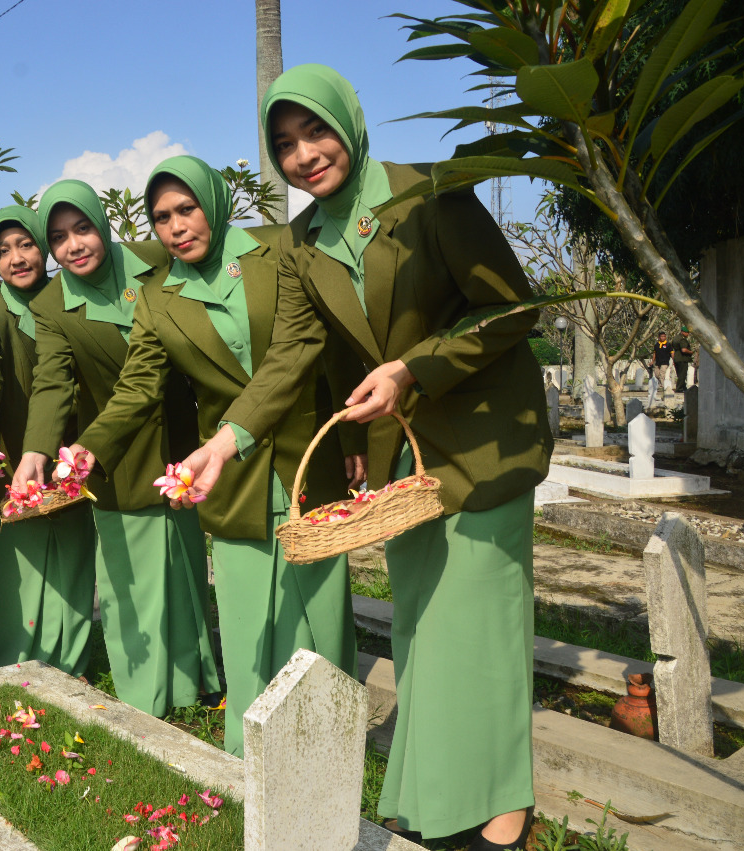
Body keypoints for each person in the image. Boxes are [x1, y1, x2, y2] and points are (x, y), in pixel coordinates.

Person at [180, 65, 551, 848]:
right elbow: (290, 358)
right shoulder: (301, 245)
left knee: (481, 628)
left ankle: (504, 811)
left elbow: (512, 306)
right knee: (424, 628)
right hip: (409, 470)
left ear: (347, 121)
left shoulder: (429, 194)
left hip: (484, 441)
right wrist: (223, 441)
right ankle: (439, 798)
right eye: (284, 145)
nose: (304, 154)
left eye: (315, 131)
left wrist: (414, 366)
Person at [69, 155, 363, 755]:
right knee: (249, 623)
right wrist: (88, 447)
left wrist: (354, 439)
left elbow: (307, 351)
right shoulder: (156, 298)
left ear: (213, 202)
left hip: (306, 457)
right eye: (161, 218)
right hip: (230, 475)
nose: (176, 226)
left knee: (323, 616)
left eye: (186, 209)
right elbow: (138, 384)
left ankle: (332, 745)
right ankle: (248, 759)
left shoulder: (276, 252)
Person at [12, 179, 219, 717]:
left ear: (102, 224)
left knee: (184, 567)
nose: (74, 245)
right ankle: (146, 700)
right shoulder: (52, 305)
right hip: (114, 455)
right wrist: (36, 451)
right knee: (131, 584)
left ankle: (194, 680)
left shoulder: (154, 260)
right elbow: (53, 384)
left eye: (82, 229)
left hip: (183, 443)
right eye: (58, 238)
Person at [0, 205, 97, 675]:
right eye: (3, 250)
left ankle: (70, 661)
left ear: (45, 248)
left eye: (26, 245)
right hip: (15, 456)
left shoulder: (72, 296)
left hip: (75, 453)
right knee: (15, 570)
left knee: (74, 559)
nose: (16, 258)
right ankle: (10, 661)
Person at [674, 326, 697, 392]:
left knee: (680, 374)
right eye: (687, 333)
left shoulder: (676, 338)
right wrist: (691, 352)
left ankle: (683, 387)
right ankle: (679, 389)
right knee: (682, 374)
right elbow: (684, 350)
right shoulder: (682, 339)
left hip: (676, 358)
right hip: (682, 358)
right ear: (683, 332)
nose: (688, 334)